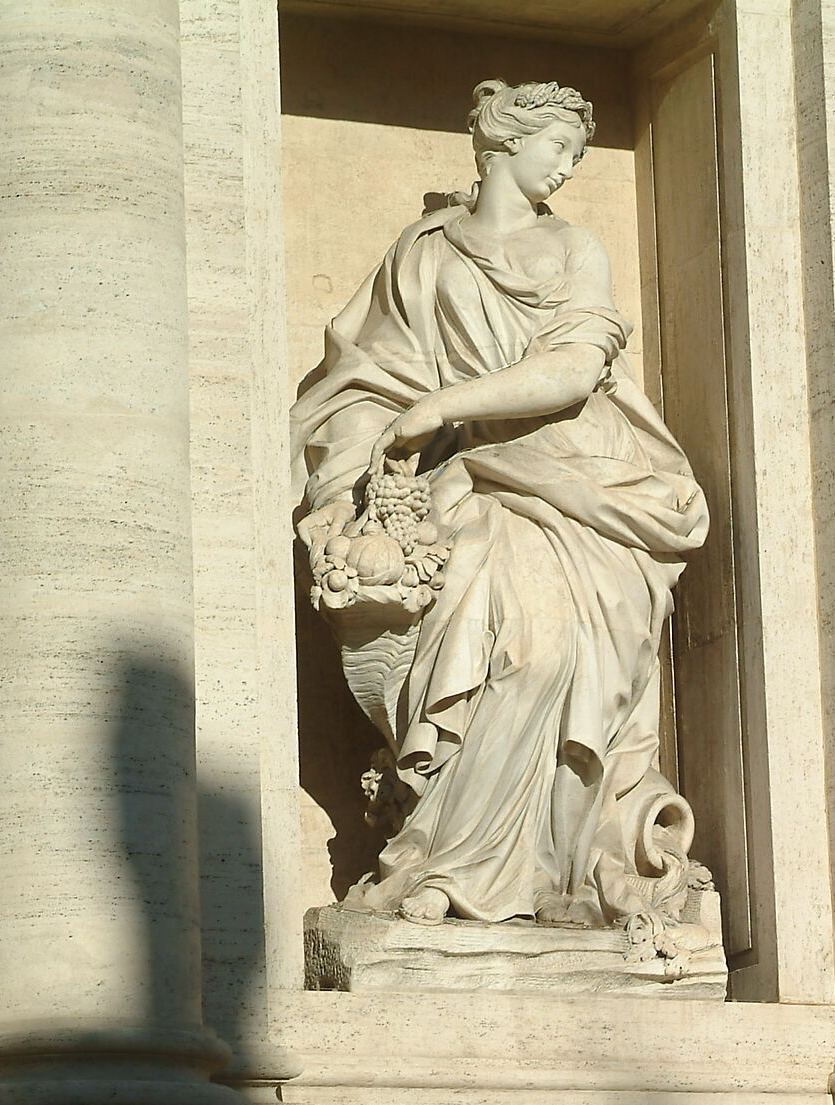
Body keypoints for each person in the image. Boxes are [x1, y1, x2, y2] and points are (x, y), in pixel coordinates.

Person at [290, 79, 709, 932]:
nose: (569, 165)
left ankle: (548, 873)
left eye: (580, 152)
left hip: (580, 479)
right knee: (482, 641)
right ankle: (440, 861)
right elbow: (370, 373)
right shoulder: (423, 252)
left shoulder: (577, 249)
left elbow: (572, 369)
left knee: (553, 658)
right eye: (557, 146)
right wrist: (376, 448)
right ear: (501, 146)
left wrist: (441, 407)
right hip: (468, 480)